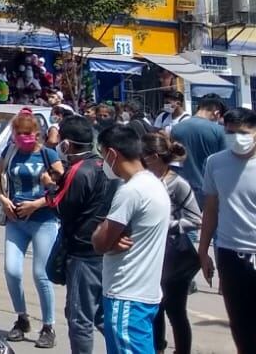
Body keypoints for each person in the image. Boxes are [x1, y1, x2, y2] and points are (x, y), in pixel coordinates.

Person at [91, 124, 171, 354]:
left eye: (103, 155)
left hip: (126, 294)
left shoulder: (131, 191)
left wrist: (104, 235)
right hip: (143, 294)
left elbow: (100, 242)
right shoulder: (154, 183)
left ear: (112, 154)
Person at [45, 115, 116, 354]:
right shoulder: (104, 166)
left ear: (67, 144)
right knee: (99, 314)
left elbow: (61, 207)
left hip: (83, 252)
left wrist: (49, 188)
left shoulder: (79, 171)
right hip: (103, 249)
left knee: (80, 318)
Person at [0, 109, 60, 348]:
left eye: (27, 133)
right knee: (12, 270)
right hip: (16, 221)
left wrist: (37, 203)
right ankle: (22, 319)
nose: (23, 137)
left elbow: (61, 189)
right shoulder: (10, 152)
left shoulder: (48, 155)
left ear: (36, 133)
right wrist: (3, 199)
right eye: (18, 133)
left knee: (41, 275)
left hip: (43, 220)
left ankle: (48, 326)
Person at [198, 106, 256, 353]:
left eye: (243, 133)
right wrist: (203, 250)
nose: (237, 139)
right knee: (241, 326)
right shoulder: (215, 163)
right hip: (230, 255)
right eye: (230, 133)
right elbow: (211, 210)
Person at [142, 133, 200, 354]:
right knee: (153, 307)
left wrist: (168, 225)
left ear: (154, 157)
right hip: (149, 254)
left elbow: (196, 219)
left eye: (143, 155)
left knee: (175, 311)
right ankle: (157, 348)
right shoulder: (143, 180)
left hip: (174, 256)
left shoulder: (178, 184)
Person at [174, 95, 228, 205]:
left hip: (182, 190)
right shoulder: (219, 131)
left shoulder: (176, 128)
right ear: (216, 113)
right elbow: (225, 163)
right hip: (210, 191)